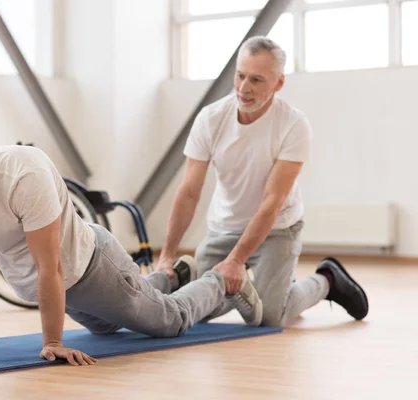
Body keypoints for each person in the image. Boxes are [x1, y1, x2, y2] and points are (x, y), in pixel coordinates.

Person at [0, 133, 263, 367]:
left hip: (91, 269)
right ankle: (170, 277)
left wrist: (52, 342)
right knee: (106, 328)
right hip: (60, 287)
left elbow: (50, 265)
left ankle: (222, 280)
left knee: (170, 322)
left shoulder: (23, 175)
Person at [155, 36, 369, 327]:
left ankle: (327, 280)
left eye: (256, 80)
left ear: (278, 83)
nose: (244, 88)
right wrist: (167, 255)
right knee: (200, 311)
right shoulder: (211, 119)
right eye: (240, 76)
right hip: (224, 228)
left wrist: (236, 260)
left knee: (270, 316)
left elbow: (273, 201)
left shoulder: (293, 124)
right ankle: (271, 286)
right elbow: (189, 192)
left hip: (277, 228)